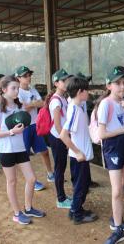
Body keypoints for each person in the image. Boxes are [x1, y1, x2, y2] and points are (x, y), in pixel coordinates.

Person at [0, 75, 46, 225]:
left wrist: (22, 127)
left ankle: (28, 208)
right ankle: (16, 213)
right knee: (12, 181)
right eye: (13, 88)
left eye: (17, 88)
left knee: (32, 179)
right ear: (4, 90)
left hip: (20, 148)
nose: (16, 91)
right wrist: (11, 132)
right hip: (5, 150)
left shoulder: (19, 106)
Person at [95, 66, 124, 244]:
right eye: (117, 83)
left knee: (121, 186)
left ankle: (116, 219)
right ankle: (118, 229)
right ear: (108, 85)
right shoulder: (106, 104)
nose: (122, 87)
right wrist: (122, 129)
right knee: (117, 190)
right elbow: (102, 134)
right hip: (112, 147)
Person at [59, 76, 98, 224]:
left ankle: (76, 209)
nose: (88, 92)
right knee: (81, 187)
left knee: (82, 184)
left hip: (81, 156)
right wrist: (78, 152)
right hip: (79, 157)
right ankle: (77, 214)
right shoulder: (74, 110)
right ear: (80, 91)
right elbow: (63, 135)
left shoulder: (77, 104)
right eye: (86, 90)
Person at [15, 66, 54, 191]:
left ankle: (50, 174)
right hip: (23, 127)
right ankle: (32, 181)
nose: (28, 77)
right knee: (24, 156)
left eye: (29, 75)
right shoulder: (17, 92)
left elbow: (42, 103)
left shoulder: (32, 90)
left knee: (44, 151)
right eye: (25, 76)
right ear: (18, 78)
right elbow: (23, 107)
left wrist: (31, 104)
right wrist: (33, 104)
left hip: (34, 125)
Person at [48, 69, 72, 208]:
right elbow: (57, 125)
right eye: (63, 80)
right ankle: (61, 199)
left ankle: (62, 196)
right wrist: (66, 141)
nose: (66, 82)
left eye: (67, 79)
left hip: (61, 136)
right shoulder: (56, 101)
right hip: (58, 138)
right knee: (59, 168)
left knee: (61, 167)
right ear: (56, 83)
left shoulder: (63, 97)